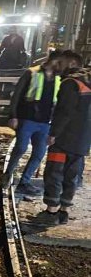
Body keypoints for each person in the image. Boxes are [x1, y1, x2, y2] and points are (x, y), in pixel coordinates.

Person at [36, 51, 89, 225]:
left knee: (54, 173)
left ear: (73, 62)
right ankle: (63, 212)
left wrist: (53, 134)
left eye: (61, 63)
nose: (58, 66)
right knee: (71, 176)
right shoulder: (87, 83)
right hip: (82, 141)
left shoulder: (70, 83)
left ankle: (51, 213)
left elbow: (64, 112)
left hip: (64, 139)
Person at [4, 50, 62, 196]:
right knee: (21, 148)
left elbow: (57, 104)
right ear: (53, 60)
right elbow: (16, 95)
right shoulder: (32, 73)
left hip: (44, 123)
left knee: (39, 153)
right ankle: (7, 175)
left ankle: (25, 182)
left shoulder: (58, 79)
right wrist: (13, 116)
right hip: (27, 119)